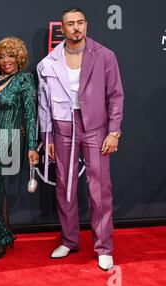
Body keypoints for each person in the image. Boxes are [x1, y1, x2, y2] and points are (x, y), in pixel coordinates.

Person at [37, 8, 124, 271]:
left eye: (80, 23)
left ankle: (104, 247)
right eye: (71, 24)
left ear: (86, 25)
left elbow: (116, 95)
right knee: (65, 186)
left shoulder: (105, 55)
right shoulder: (48, 62)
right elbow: (43, 103)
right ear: (62, 29)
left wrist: (114, 131)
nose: (76, 28)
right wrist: (47, 135)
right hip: (63, 126)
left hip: (96, 126)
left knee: (100, 189)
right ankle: (69, 239)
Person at [0, 37, 39, 259]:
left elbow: (31, 115)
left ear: (19, 57)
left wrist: (32, 146)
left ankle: (2, 237)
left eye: (10, 56)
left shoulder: (24, 79)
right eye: (1, 57)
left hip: (9, 139)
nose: (6, 61)